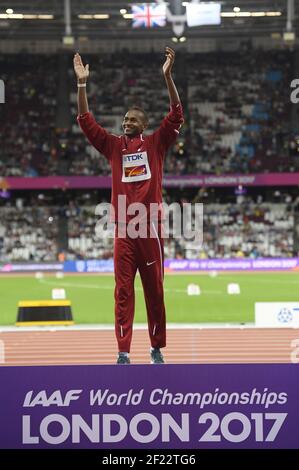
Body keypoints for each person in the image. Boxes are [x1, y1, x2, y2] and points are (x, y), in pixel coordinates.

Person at [74, 48, 184, 364]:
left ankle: (156, 348)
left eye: (133, 119)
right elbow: (85, 121)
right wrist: (82, 86)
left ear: (144, 125)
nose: (126, 121)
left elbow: (176, 114)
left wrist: (167, 76)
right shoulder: (112, 147)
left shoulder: (156, 144)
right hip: (124, 231)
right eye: (124, 118)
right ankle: (123, 351)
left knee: (156, 293)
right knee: (122, 293)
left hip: (149, 229)